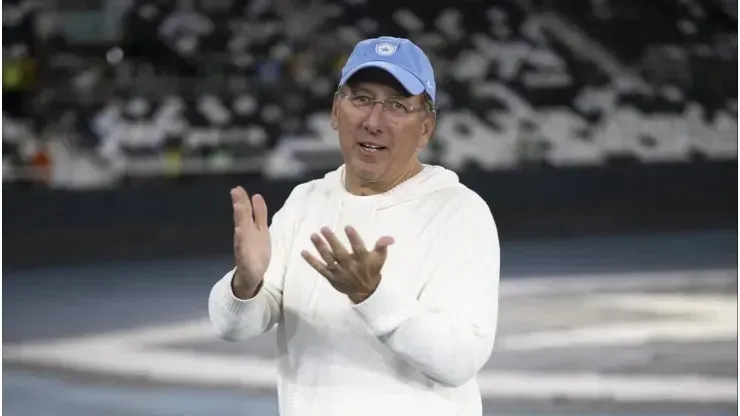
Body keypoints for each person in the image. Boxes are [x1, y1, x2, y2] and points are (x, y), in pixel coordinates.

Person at [208, 36, 500, 416]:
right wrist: (245, 284)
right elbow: (233, 327)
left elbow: (458, 360)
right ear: (335, 111)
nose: (374, 121)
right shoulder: (306, 202)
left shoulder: (459, 212)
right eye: (361, 99)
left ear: (426, 128)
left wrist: (371, 295)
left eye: (397, 105)